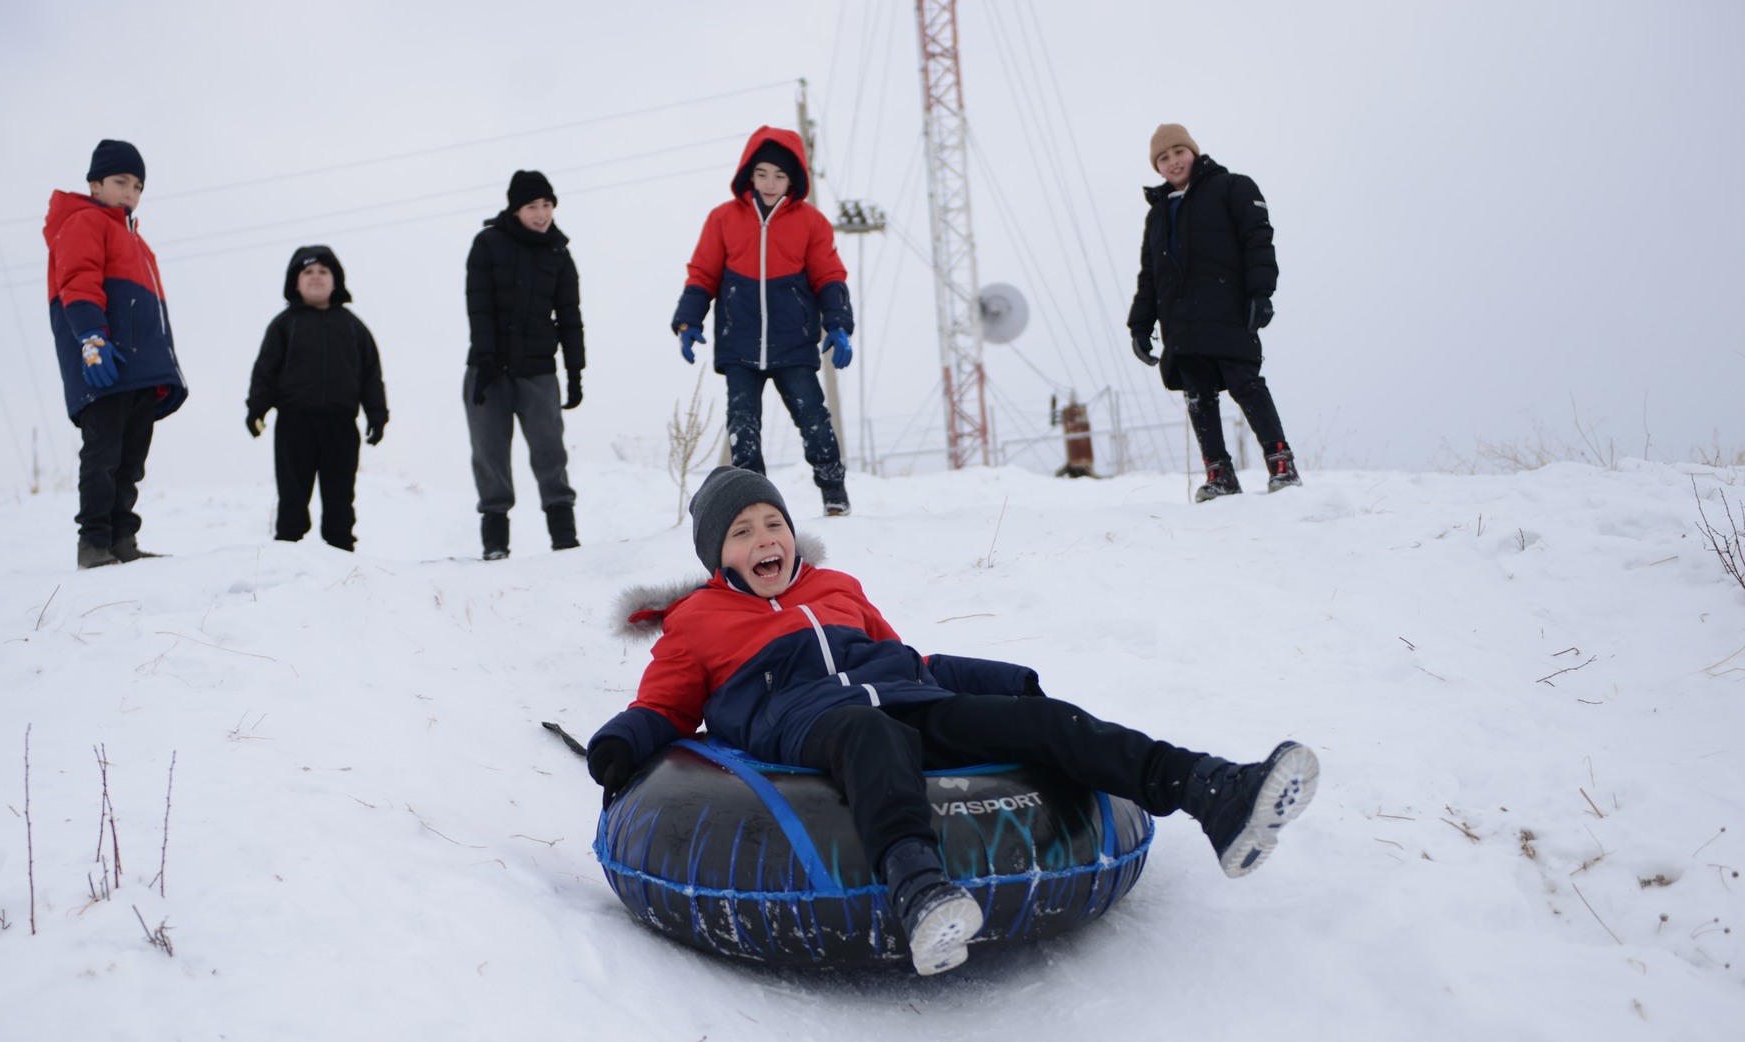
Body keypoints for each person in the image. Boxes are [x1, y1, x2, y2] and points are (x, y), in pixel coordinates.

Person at [585, 466, 1320, 975]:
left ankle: (1212, 789)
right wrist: (624, 741)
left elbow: (909, 660)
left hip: (905, 698)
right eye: (742, 531)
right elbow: (666, 702)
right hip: (810, 723)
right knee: (872, 738)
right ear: (718, 554)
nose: (765, 540)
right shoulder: (698, 619)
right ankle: (918, 888)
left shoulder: (837, 586)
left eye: (773, 522)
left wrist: (1003, 685)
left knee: (1049, 723)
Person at [671, 127, 854, 517]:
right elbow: (702, 273)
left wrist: (838, 324)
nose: (770, 183)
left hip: (794, 341)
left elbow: (829, 276)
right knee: (743, 429)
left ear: (793, 179)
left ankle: (834, 493)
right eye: (763, 173)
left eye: (780, 176)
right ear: (749, 175)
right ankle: (753, 506)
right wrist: (688, 321)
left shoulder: (811, 222)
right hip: (739, 341)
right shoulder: (723, 219)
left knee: (814, 419)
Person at [1127, 123, 1303, 502]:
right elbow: (1150, 276)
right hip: (1180, 321)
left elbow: (1257, 240)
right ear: (1156, 167)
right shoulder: (1157, 215)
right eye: (1163, 157)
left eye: (1179, 152)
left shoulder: (1232, 187)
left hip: (1226, 309)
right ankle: (1219, 473)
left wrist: (1261, 292)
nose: (1173, 161)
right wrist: (1140, 325)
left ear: (1193, 152)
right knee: (1197, 393)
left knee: (1246, 383)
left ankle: (1281, 464)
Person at [43, 139, 189, 569]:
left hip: (140, 368)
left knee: (130, 461)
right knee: (103, 455)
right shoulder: (84, 223)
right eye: (120, 181)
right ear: (95, 185)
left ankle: (123, 539)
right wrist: (92, 338)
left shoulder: (139, 245)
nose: (130, 192)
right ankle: (93, 543)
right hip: (105, 363)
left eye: (138, 185)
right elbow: (78, 281)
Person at [464, 170, 585, 560]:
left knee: (550, 451)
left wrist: (574, 372)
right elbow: (478, 306)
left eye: (547, 205)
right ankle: (495, 542)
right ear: (516, 209)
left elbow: (570, 317)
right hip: (489, 370)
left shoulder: (558, 254)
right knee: (490, 453)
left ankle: (564, 537)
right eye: (533, 206)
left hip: (537, 371)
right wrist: (484, 361)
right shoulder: (487, 244)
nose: (542, 213)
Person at [245, 245, 389, 551]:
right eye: (307, 271)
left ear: (336, 281)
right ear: (294, 282)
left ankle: (341, 552)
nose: (315, 277)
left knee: (340, 493)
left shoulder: (353, 326)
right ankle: (286, 548)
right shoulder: (284, 325)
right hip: (294, 424)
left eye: (324, 271)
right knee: (292, 493)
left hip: (340, 424)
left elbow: (371, 375)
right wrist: (257, 408)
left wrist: (377, 415)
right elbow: (265, 370)